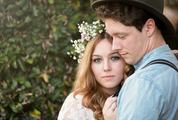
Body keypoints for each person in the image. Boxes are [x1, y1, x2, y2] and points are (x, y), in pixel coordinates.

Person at [90, 0, 178, 120]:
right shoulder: (172, 64)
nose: (115, 46)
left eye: (122, 36)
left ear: (149, 27)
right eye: (112, 36)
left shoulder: (142, 82)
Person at [58, 21, 133, 120]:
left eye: (114, 58)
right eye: (97, 60)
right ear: (89, 65)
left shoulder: (136, 96)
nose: (106, 67)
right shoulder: (77, 104)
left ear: (125, 61)